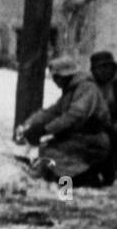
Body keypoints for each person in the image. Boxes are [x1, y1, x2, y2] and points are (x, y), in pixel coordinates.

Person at [15, 56, 113, 187]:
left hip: (95, 139)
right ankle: (65, 175)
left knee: (54, 151)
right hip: (83, 137)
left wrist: (45, 130)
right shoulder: (71, 91)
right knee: (48, 149)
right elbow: (52, 112)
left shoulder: (86, 89)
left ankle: (85, 177)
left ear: (65, 75)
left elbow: (74, 116)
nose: (55, 81)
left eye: (57, 77)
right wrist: (28, 125)